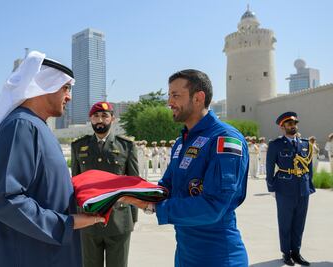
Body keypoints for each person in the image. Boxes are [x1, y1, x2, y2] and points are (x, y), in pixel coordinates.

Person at [0, 51, 104, 267]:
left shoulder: (36, 126)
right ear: (44, 85)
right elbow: (5, 200)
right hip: (30, 255)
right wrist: (68, 223)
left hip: (48, 252)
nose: (69, 96)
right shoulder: (21, 126)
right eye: (65, 88)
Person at [121, 69, 249, 266]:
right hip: (185, 254)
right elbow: (167, 186)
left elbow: (214, 206)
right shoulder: (183, 142)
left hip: (218, 256)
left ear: (198, 98)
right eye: (169, 95)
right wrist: (128, 190)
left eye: (175, 95)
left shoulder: (224, 139)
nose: (169, 102)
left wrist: (153, 206)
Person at [71, 101, 139, 267]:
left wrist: (132, 217)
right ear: (91, 119)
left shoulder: (126, 146)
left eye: (104, 116)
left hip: (119, 220)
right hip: (88, 220)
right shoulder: (79, 146)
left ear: (112, 119)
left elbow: (134, 184)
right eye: (96, 116)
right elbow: (76, 184)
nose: (100, 119)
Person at [266, 111, 314, 266]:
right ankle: (286, 253)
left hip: (302, 189)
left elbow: (309, 167)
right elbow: (269, 167)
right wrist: (271, 187)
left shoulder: (306, 144)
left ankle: (296, 252)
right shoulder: (276, 145)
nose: (292, 126)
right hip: (284, 188)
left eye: (294, 123)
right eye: (289, 124)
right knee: (285, 222)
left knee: (299, 222)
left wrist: (310, 185)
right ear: (282, 127)